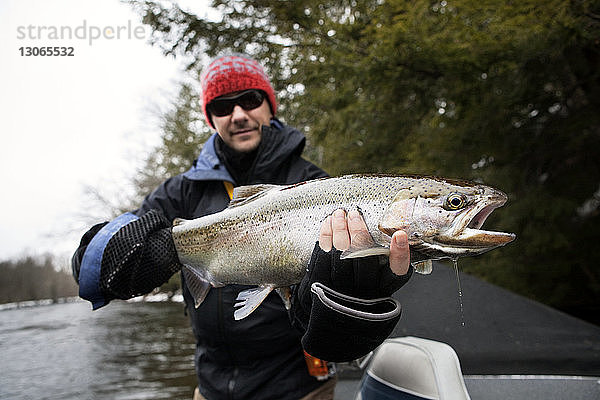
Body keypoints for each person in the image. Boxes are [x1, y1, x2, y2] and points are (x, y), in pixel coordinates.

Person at [72, 53, 413, 400]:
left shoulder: (317, 187)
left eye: (250, 100)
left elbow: (334, 327)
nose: (238, 115)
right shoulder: (180, 192)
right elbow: (88, 264)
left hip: (298, 387)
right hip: (211, 387)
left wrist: (354, 295)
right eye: (222, 106)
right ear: (211, 118)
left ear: (269, 105)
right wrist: (125, 253)